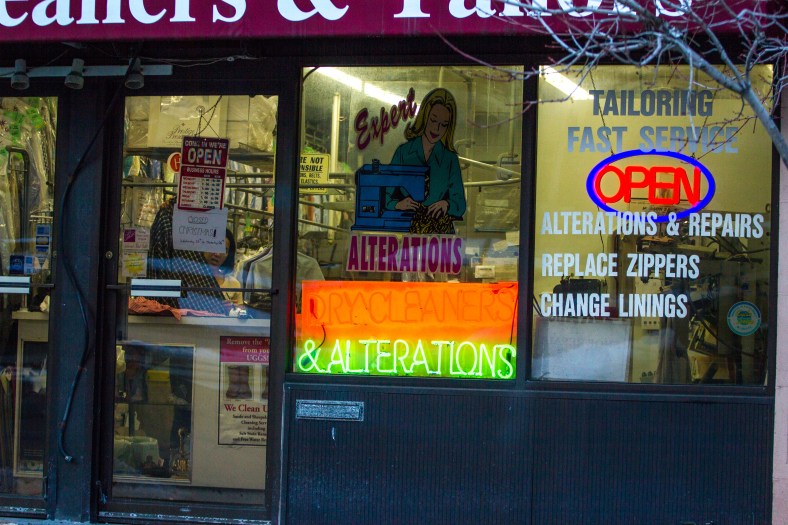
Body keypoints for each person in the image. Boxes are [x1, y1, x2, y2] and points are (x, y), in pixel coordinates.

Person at [385, 87, 466, 234]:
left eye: (444, 124)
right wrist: (398, 204)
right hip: (407, 231)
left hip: (440, 238)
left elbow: (460, 202)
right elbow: (384, 194)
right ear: (424, 117)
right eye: (433, 120)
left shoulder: (450, 159)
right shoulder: (403, 153)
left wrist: (446, 204)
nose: (437, 128)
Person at [203, 229, 242, 307]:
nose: (217, 254)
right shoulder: (189, 279)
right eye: (214, 246)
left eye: (224, 250)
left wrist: (233, 309)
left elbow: (242, 313)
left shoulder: (234, 284)